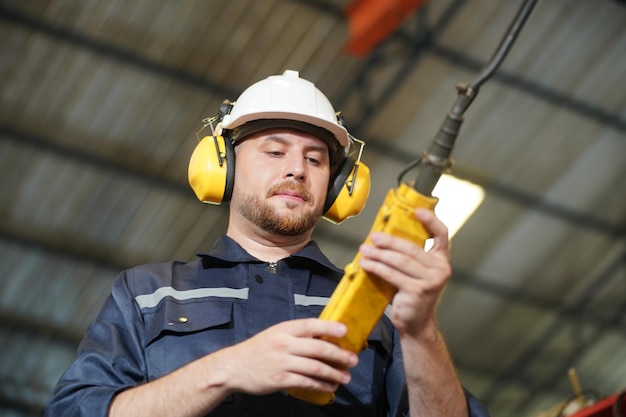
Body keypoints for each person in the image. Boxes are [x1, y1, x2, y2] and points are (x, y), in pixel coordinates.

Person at [45, 70, 490, 417]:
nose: (297, 169)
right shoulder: (148, 293)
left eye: (315, 159)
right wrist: (227, 369)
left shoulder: (378, 306)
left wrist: (420, 332)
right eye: (275, 152)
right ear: (224, 167)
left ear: (339, 187)